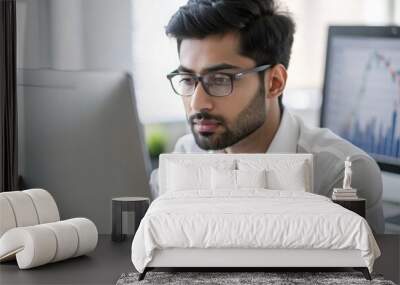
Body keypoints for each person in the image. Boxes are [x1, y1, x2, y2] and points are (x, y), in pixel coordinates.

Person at [149, 0, 384, 233]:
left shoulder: (339, 175)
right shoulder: (185, 157)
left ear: (274, 83)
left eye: (220, 80)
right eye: (188, 80)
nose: (196, 103)